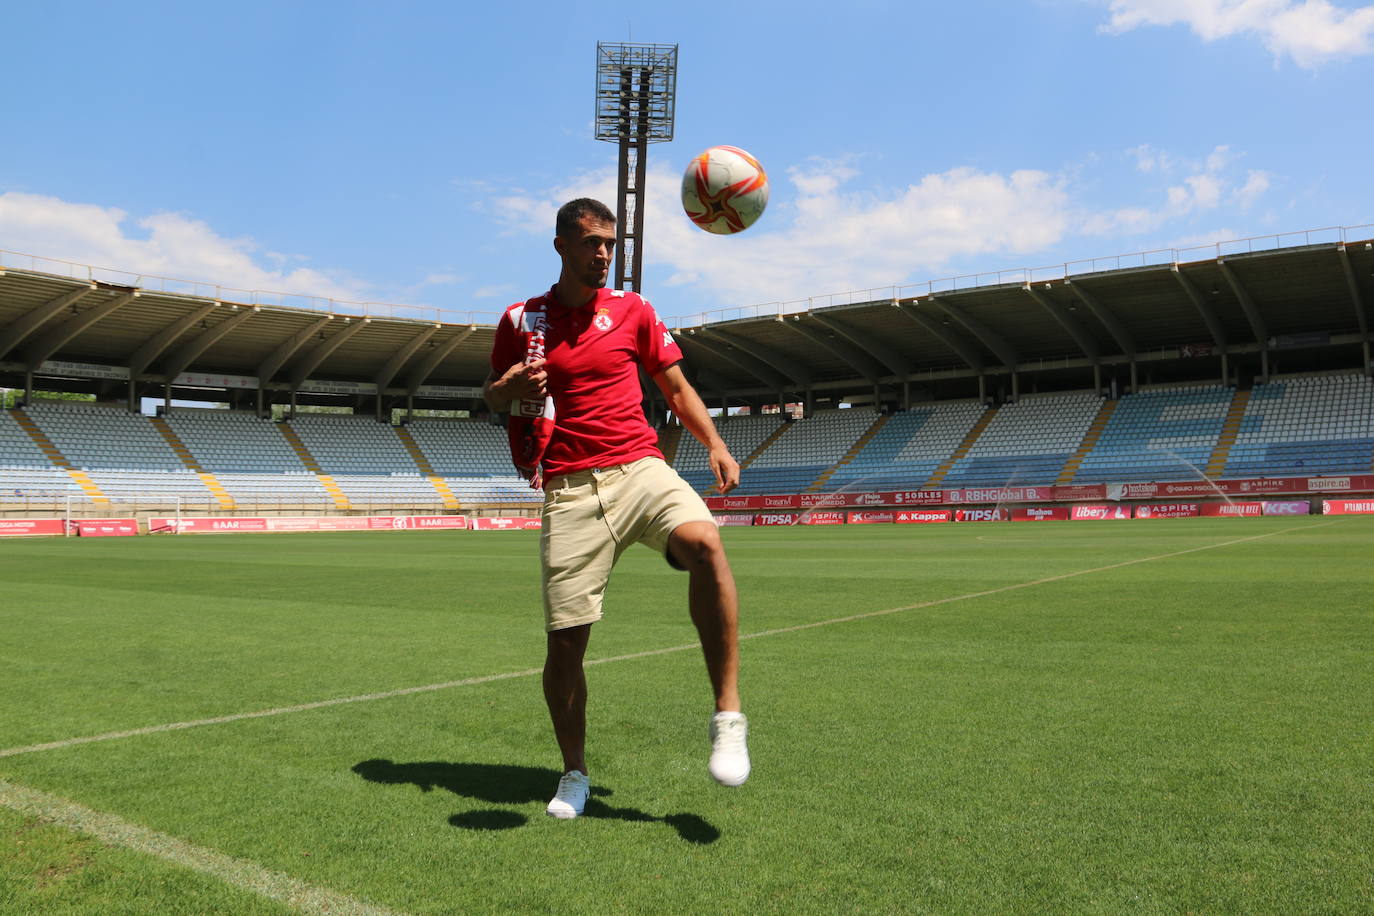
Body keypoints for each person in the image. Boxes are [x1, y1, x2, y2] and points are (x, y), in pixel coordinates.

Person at [483, 198, 749, 820]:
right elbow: (492, 396)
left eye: (609, 242)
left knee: (707, 545)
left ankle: (728, 716)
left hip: (641, 468)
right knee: (566, 646)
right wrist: (511, 389)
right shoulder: (523, 319)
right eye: (590, 242)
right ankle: (574, 771)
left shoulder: (634, 311)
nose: (603, 253)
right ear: (561, 247)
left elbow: (676, 387)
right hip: (571, 487)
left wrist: (713, 443)